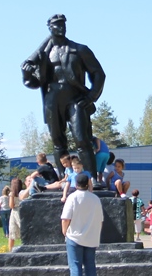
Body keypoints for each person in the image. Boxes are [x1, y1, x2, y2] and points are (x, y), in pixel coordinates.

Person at [21, 14, 107, 175]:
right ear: (50, 28)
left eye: (63, 25)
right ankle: (64, 179)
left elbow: (99, 74)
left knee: (82, 139)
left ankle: (91, 178)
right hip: (52, 100)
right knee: (58, 142)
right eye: (57, 25)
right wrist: (26, 75)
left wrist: (91, 97)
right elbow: (35, 83)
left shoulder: (80, 50)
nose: (61, 28)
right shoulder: (43, 55)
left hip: (75, 98)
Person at [61, 172, 104, 276]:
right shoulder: (95, 198)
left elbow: (66, 217)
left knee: (75, 266)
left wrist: (65, 231)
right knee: (90, 267)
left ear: (76, 184)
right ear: (88, 184)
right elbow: (101, 220)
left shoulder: (72, 197)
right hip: (91, 237)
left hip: (74, 237)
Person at [7, 178, 26, 251]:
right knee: (22, 228)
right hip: (22, 210)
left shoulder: (12, 194)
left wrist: (11, 197)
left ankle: (10, 249)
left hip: (15, 212)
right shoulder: (23, 192)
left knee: (12, 231)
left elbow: (11, 205)